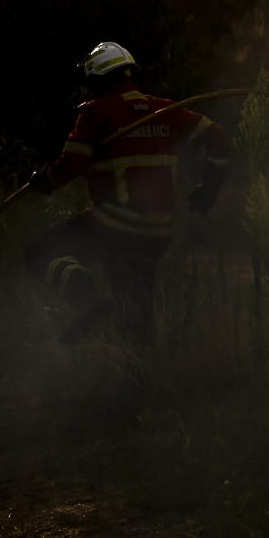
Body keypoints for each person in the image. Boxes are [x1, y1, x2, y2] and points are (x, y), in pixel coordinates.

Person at [25, 41, 231, 343]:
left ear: (95, 81)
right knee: (134, 312)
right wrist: (208, 189)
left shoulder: (97, 113)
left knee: (39, 253)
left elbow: (72, 164)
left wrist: (46, 181)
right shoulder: (165, 110)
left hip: (114, 226)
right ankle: (138, 378)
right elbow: (220, 139)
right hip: (159, 231)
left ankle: (86, 300)